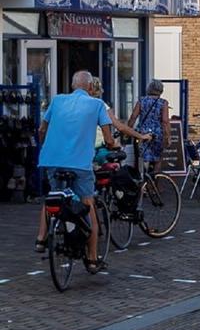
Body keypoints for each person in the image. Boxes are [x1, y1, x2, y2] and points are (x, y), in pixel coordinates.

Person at [34, 71, 118, 269]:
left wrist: (45, 146)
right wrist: (113, 145)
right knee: (88, 204)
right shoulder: (96, 104)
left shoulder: (56, 101)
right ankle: (92, 258)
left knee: (53, 197)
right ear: (90, 87)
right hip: (79, 163)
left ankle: (40, 238)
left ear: (73, 86)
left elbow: (41, 130)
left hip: (52, 160)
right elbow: (107, 138)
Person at [86, 77, 151, 165]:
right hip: (97, 149)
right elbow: (120, 127)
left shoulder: (74, 104)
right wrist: (141, 136)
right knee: (114, 165)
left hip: (77, 150)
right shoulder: (100, 104)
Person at [128, 81, 170, 174]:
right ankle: (154, 184)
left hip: (141, 133)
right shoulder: (163, 103)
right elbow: (165, 121)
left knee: (141, 158)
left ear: (149, 89)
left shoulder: (141, 100)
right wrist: (167, 137)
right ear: (161, 90)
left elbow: (133, 117)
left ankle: (142, 181)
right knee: (157, 159)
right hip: (157, 134)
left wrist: (128, 130)